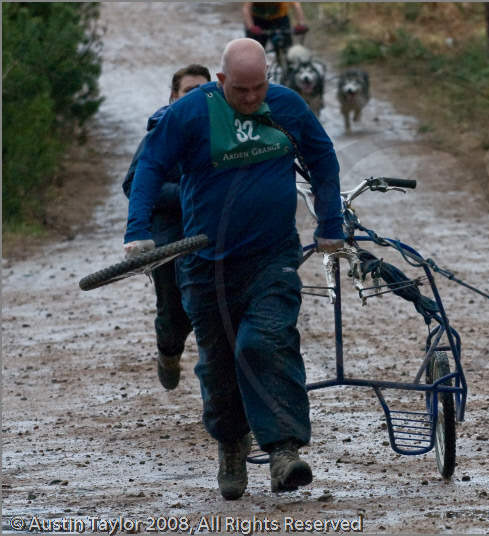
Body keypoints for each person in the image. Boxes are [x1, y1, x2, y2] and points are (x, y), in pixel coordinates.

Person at [123, 38, 344, 500]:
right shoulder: (188, 115)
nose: (250, 99)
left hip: (272, 255)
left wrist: (330, 224)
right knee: (220, 364)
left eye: (258, 88)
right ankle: (231, 443)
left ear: (269, 78)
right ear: (221, 81)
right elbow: (149, 167)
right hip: (207, 265)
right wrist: (137, 230)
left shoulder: (285, 104)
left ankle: (283, 451)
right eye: (241, 91)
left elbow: (322, 159)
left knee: (265, 341)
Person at [122, 64, 211, 390]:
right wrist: (190, 194)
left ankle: (222, 400)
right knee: (174, 317)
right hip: (170, 233)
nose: (197, 97)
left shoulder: (220, 131)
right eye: (189, 90)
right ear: (174, 96)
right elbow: (134, 184)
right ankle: (168, 352)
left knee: (214, 314)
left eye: (204, 89)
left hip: (212, 233)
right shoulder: (160, 132)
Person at [242, 2, 308, 49]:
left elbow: (296, 5)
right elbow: (246, 9)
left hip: (279, 19)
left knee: (287, 47)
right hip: (257, 20)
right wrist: (251, 27)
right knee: (254, 49)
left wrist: (301, 24)